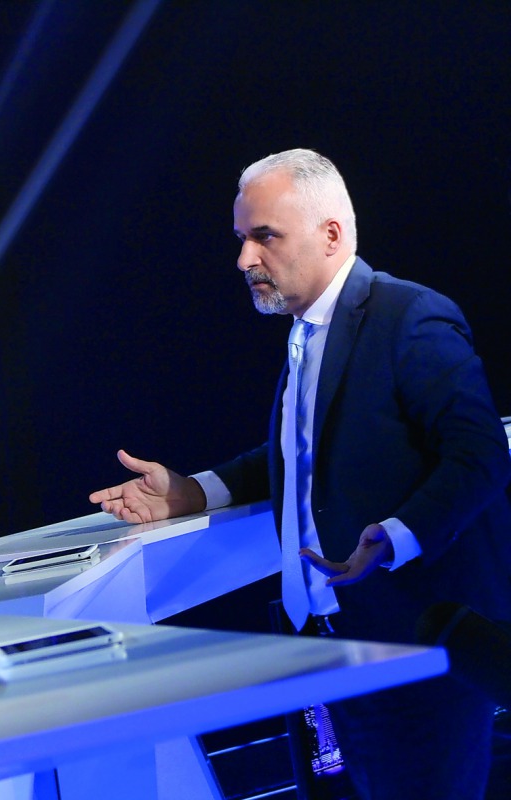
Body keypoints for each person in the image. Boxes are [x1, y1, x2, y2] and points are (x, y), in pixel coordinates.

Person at [88, 149, 511, 800]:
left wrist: (396, 535)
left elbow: (480, 454)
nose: (244, 259)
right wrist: (194, 491)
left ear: (330, 234)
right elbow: (298, 454)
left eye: (265, 237)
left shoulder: (409, 317)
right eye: (242, 238)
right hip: (340, 644)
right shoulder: (309, 330)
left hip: (416, 647)